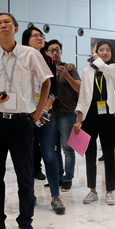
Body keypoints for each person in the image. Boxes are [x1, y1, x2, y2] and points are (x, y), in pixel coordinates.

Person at [0, 12, 53, 229]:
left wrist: (39, 109)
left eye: (7, 22)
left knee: (25, 176)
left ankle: (25, 221)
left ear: (15, 29)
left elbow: (46, 81)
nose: (3, 25)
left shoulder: (30, 54)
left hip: (21, 122)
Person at [22, 28, 65, 215]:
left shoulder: (49, 61)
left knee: (49, 155)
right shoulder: (21, 59)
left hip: (46, 113)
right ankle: (29, 195)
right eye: (35, 36)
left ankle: (56, 196)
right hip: (25, 113)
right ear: (27, 40)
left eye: (41, 35)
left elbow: (53, 90)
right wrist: (33, 110)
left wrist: (43, 110)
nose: (40, 38)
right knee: (27, 157)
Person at [73, 41, 115, 206]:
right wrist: (79, 120)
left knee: (109, 155)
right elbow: (83, 96)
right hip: (90, 118)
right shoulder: (87, 71)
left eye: (108, 50)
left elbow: (104, 68)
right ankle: (92, 190)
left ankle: (109, 191)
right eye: (101, 50)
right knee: (90, 155)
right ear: (96, 51)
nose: (105, 52)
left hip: (108, 117)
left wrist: (95, 56)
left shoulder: (114, 68)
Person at [46, 39, 80, 192]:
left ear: (61, 52)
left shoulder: (70, 68)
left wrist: (66, 75)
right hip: (49, 113)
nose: (54, 53)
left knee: (67, 148)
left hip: (67, 113)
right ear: (47, 53)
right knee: (54, 149)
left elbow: (79, 88)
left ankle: (68, 178)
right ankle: (57, 177)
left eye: (57, 50)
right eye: (51, 50)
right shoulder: (44, 69)